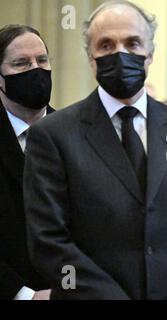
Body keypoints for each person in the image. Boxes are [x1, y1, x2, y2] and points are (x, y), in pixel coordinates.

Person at [23, 1, 167, 300]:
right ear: (90, 58)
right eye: (106, 45)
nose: (120, 53)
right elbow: (48, 241)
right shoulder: (53, 136)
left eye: (133, 43)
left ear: (150, 54)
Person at [0, 24, 54, 300]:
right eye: (21, 63)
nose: (35, 70)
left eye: (42, 60)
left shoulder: (79, 135)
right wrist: (24, 295)